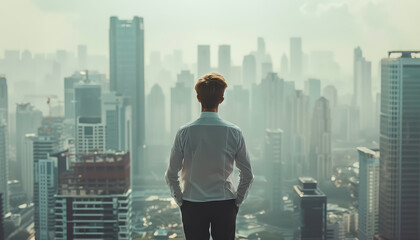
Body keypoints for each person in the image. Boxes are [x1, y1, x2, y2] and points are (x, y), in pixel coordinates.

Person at [165, 72, 254, 240]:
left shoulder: (184, 132)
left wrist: (182, 202)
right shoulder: (233, 132)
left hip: (193, 204)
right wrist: (236, 202)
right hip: (225, 204)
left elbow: (171, 174)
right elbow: (248, 174)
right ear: (221, 100)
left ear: (198, 98)